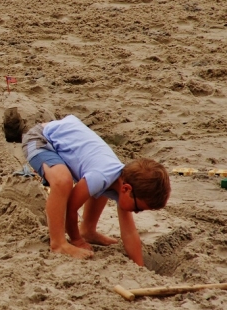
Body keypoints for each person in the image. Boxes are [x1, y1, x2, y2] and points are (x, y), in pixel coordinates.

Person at [12, 114, 170, 266]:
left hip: (66, 138)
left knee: (101, 189)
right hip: (41, 139)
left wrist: (139, 267)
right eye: (137, 208)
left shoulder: (121, 181)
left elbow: (129, 233)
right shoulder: (100, 176)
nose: (136, 212)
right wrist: (76, 240)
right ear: (127, 189)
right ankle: (58, 243)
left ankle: (88, 230)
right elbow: (70, 208)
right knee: (63, 181)